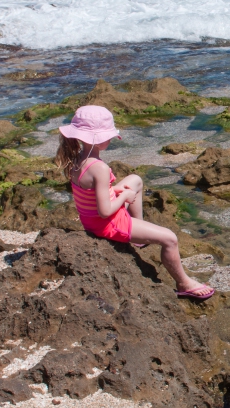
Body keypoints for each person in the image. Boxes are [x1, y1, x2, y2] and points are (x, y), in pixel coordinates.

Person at [55, 105, 213, 300]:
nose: (111, 138)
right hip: (107, 224)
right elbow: (105, 211)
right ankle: (184, 283)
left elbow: (90, 194)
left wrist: (113, 191)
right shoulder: (100, 169)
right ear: (99, 138)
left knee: (135, 180)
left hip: (90, 220)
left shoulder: (76, 158)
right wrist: (123, 197)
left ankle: (139, 236)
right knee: (170, 239)